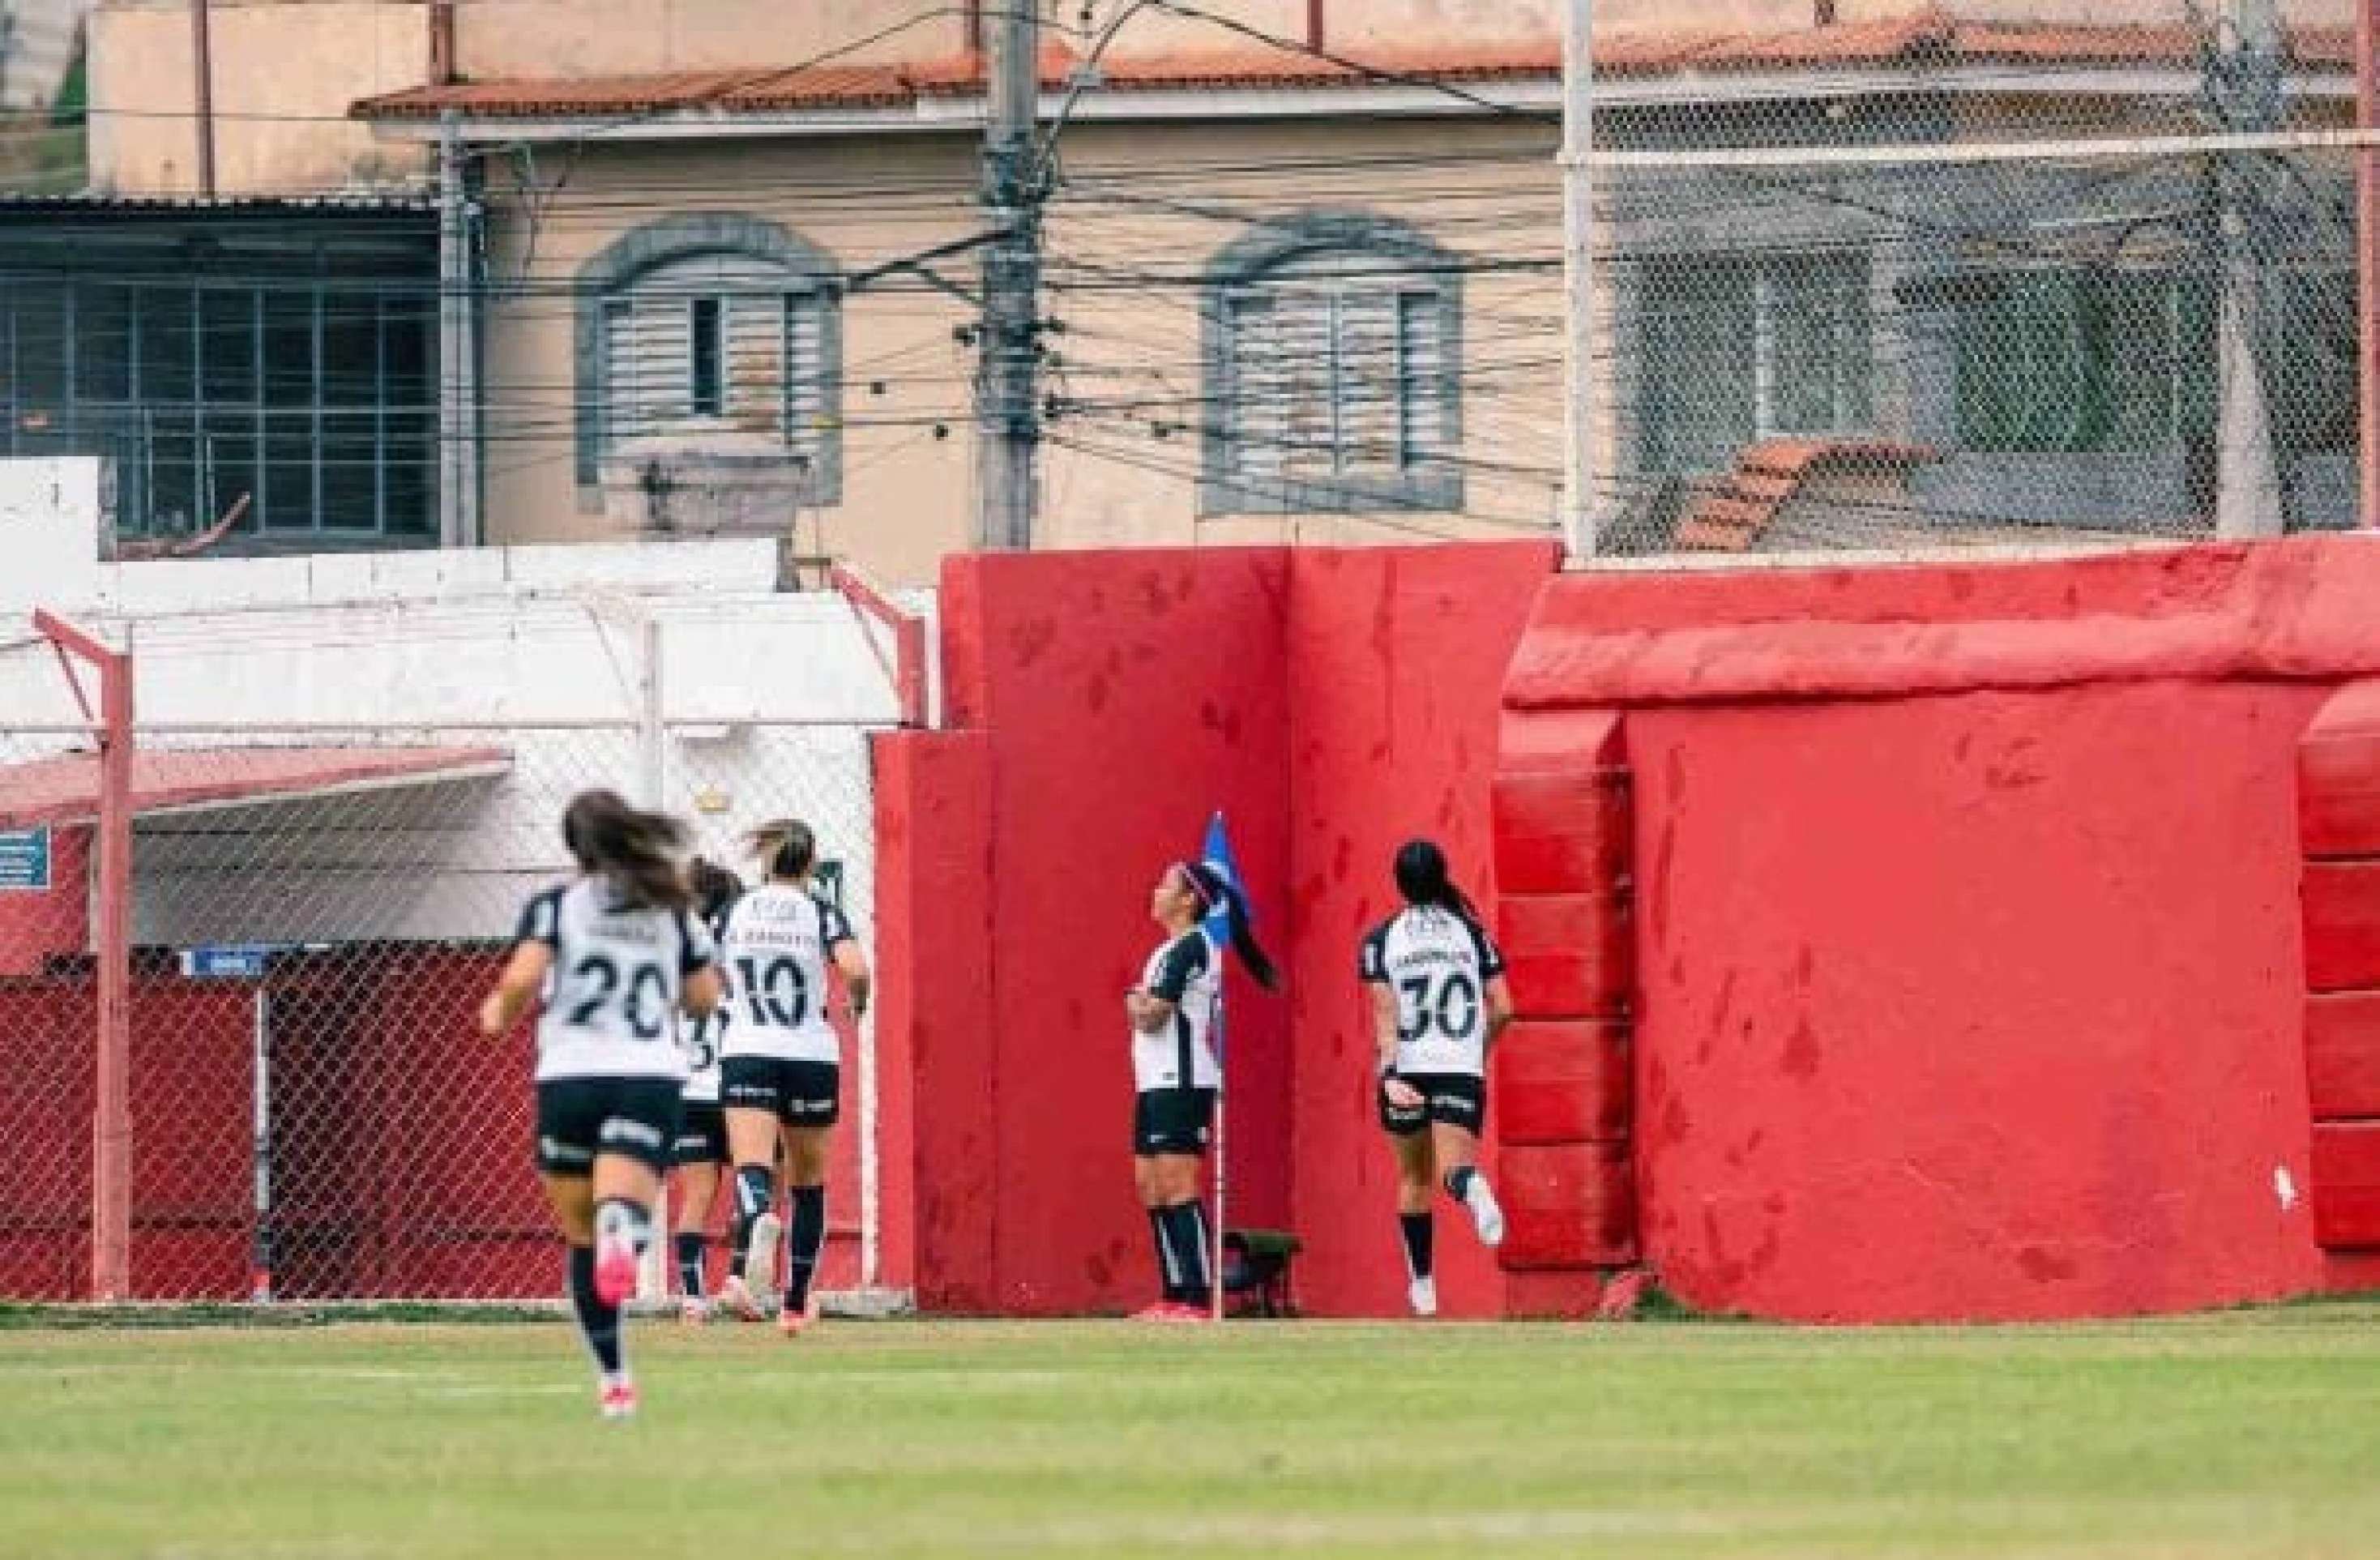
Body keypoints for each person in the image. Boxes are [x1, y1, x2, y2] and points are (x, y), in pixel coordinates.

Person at [480, 791, 721, 1419]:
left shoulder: (556, 907)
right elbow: (703, 997)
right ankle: (627, 1230)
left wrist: (497, 1013)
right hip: (646, 1074)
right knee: (621, 1207)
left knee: (579, 1234)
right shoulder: (671, 910)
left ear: (575, 848)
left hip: (570, 1075)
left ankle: (615, 1379)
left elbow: (521, 979)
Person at [716, 819, 871, 1336]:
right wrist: (857, 1002)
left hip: (749, 1048)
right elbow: (855, 967)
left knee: (753, 1164)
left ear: (764, 861)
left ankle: (758, 1213)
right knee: (809, 1180)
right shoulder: (821, 912)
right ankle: (797, 1302)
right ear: (809, 864)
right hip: (809, 1052)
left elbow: (703, 971)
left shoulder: (733, 911)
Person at [1359, 839, 1515, 1319]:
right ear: (1443, 875)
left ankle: (1423, 1285)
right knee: (1452, 1171)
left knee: (1413, 1178)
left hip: (1407, 1069)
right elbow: (1505, 1008)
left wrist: (1387, 1074)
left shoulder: (1382, 939)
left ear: (1399, 883)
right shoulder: (1473, 934)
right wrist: (1476, 1051)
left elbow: (1385, 1012)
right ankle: (1473, 1189)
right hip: (1458, 1064)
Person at [1123, 859, 1278, 1323]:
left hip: (1183, 1081)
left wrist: (1134, 1000)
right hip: (1152, 1081)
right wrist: (1140, 1001)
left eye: (1164, 884)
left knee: (1178, 1184)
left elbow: (1153, 1015)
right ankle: (1172, 1292)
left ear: (1188, 900)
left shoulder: (1193, 947)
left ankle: (1198, 1295)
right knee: (1150, 1186)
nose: (1155, 890)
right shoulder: (1164, 951)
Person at [669, 857, 743, 1324]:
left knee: (696, 1195)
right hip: (736, 1089)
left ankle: (694, 1297)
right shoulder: (737, 959)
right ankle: (740, 1279)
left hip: (688, 1090)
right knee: (756, 1186)